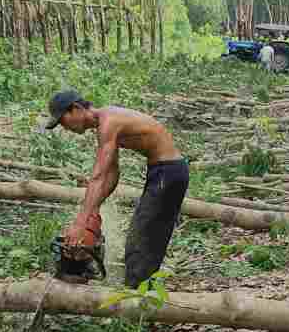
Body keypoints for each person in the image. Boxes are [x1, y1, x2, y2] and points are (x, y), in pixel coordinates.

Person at [44, 90, 189, 290]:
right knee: (143, 237)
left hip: (168, 173)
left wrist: (82, 220)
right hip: (163, 172)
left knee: (142, 240)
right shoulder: (104, 125)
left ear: (76, 109)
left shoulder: (108, 122)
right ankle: (139, 294)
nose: (64, 127)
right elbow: (112, 175)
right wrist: (93, 209)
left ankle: (137, 303)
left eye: (63, 120)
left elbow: (99, 176)